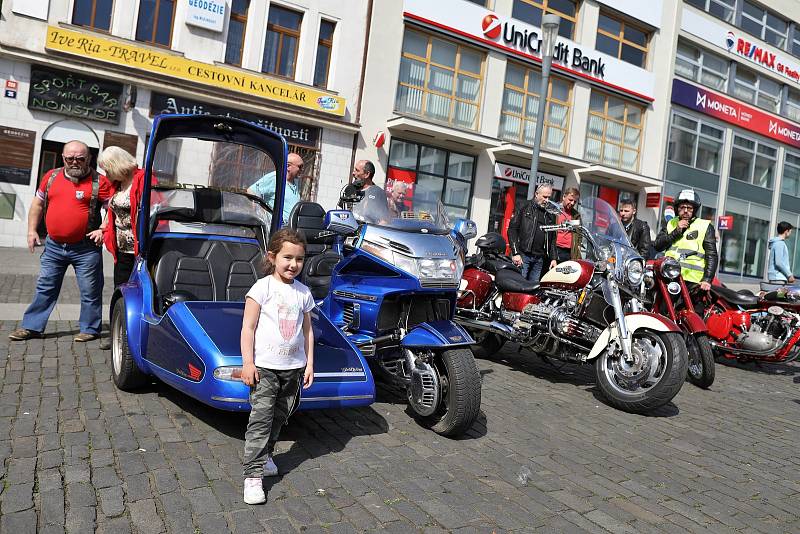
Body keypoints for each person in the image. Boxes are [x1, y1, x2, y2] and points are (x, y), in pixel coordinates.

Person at [9, 141, 113, 342]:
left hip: (86, 249)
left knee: (90, 290)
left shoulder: (100, 182)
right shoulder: (51, 177)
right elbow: (37, 205)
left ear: (89, 159)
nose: (75, 162)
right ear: (63, 158)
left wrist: (103, 229)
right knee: (45, 287)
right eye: (69, 158)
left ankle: (90, 329)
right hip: (54, 246)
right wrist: (31, 231)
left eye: (80, 158)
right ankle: (32, 327)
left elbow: (113, 208)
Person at [241, 228, 315, 505]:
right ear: (272, 257)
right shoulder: (261, 289)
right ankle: (252, 475)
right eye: (287, 257)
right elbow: (247, 328)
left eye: (299, 259)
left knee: (280, 416)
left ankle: (267, 455)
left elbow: (307, 331)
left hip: (293, 369)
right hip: (265, 368)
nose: (293, 265)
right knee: (260, 420)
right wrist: (248, 363)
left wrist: (309, 364)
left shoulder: (303, 293)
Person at [653, 189, 718, 292]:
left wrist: (707, 279)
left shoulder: (705, 226)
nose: (686, 210)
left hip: (693, 282)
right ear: (677, 208)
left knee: (693, 309)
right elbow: (657, 246)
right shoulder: (671, 223)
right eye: (682, 207)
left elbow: (712, 255)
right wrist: (676, 231)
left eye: (689, 208)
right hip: (669, 276)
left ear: (695, 209)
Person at [507, 184, 557, 281]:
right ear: (536, 194)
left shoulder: (550, 214)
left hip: (539, 259)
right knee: (519, 286)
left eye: (549, 197)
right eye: (544, 197)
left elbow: (552, 237)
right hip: (523, 255)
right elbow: (512, 229)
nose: (547, 200)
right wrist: (515, 253)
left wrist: (553, 258)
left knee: (533, 289)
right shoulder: (524, 206)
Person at [249, 152, 304, 224]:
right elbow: (251, 191)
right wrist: (260, 215)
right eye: (300, 167)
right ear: (288, 166)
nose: (302, 170)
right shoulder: (275, 177)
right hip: (276, 228)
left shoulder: (295, 182)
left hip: (289, 228)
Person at [350, 159, 389, 223]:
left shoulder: (378, 193)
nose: (353, 173)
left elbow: (384, 221)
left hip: (366, 231)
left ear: (367, 174)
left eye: (357, 170)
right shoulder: (351, 189)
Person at [555, 187, 580, 263]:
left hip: (569, 252)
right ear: (564, 197)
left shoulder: (576, 215)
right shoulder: (554, 210)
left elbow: (578, 235)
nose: (572, 203)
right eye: (570, 200)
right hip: (555, 249)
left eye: (574, 201)